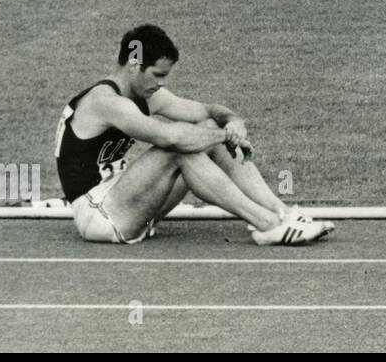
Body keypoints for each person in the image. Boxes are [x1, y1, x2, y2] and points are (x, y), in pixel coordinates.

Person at [54, 24, 333, 246]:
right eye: (157, 74)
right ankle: (269, 226)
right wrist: (225, 137)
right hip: (98, 214)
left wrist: (233, 122)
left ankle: (282, 212)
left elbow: (205, 110)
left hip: (126, 202)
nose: (162, 83)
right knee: (179, 150)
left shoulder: (146, 95)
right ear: (133, 64)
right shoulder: (105, 101)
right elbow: (170, 139)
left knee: (208, 129)